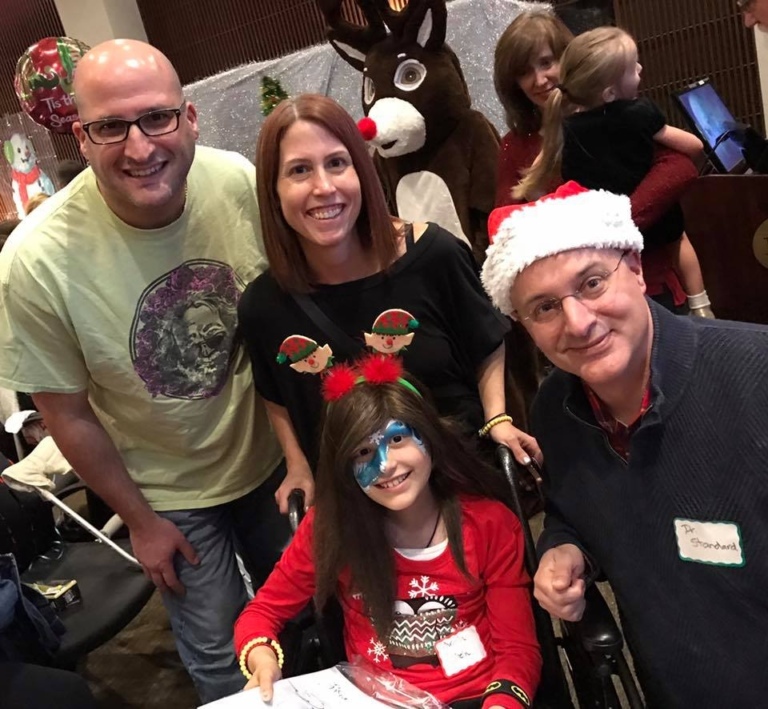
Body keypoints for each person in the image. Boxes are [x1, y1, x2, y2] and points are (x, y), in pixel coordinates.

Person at [0, 39, 287, 703]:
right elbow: (64, 413)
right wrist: (139, 519)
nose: (139, 147)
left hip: (270, 461)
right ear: (81, 134)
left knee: (309, 618)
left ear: (190, 118)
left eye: (157, 118)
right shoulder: (37, 259)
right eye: (110, 127)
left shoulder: (237, 182)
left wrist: (304, 457)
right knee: (222, 660)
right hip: (165, 492)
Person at [481, 181, 768, 706]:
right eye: (543, 308)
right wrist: (565, 547)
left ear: (636, 269)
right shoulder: (557, 410)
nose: (578, 321)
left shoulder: (755, 374)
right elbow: (578, 508)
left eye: (591, 283)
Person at [238, 93, 540, 514]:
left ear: (362, 170)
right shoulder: (263, 306)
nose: (323, 187)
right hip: (360, 512)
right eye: (299, 170)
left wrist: (498, 417)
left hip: (464, 489)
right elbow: (277, 393)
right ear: (273, 190)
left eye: (337, 163)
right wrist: (297, 464)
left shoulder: (434, 254)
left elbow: (486, 340)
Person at [234, 355, 541, 708]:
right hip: (374, 699)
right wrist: (263, 659)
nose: (385, 465)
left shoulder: (489, 524)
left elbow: (518, 651)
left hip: (475, 697)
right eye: (362, 452)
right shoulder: (330, 528)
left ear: (429, 436)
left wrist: (503, 703)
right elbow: (261, 614)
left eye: (397, 440)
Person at [493, 11, 700, 316]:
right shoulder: (515, 143)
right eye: (524, 72)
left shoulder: (615, 112)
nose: (539, 80)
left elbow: (679, 166)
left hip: (649, 279)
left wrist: (610, 224)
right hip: (574, 302)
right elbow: (506, 224)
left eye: (548, 62)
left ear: (573, 57)